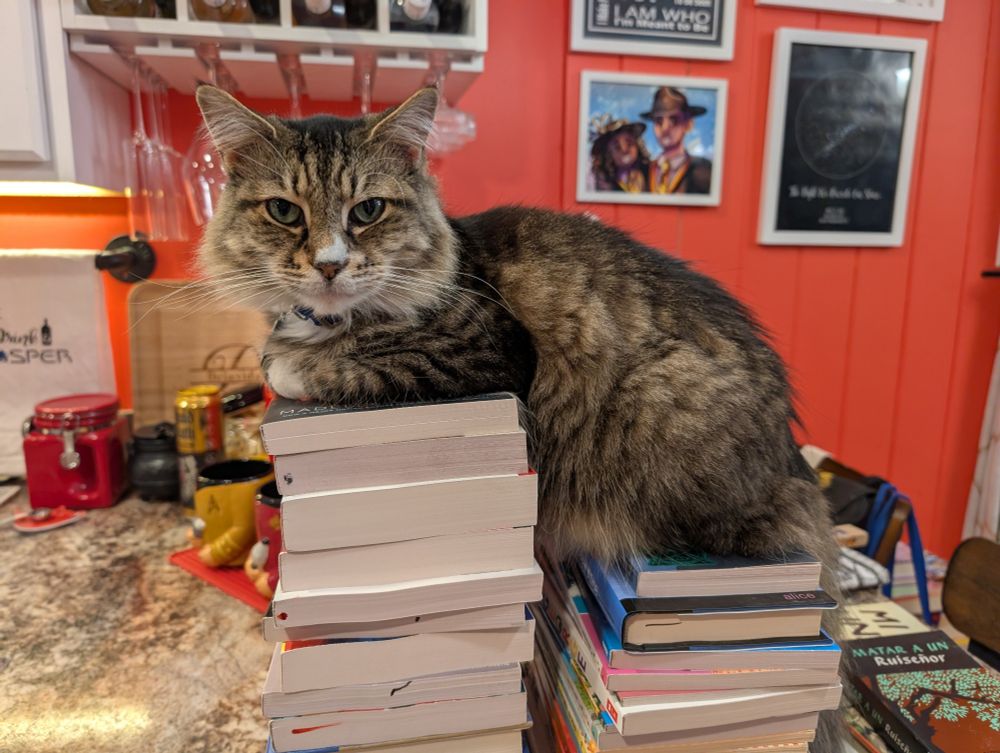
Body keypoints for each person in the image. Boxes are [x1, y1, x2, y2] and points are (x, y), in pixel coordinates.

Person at [641, 87, 712, 195]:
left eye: (674, 120)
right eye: (659, 121)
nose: (665, 128)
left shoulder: (704, 171)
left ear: (688, 124)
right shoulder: (644, 171)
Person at [589, 116, 650, 193]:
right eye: (617, 147)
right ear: (609, 154)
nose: (624, 150)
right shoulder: (605, 183)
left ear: (638, 146)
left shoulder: (651, 172)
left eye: (629, 143)